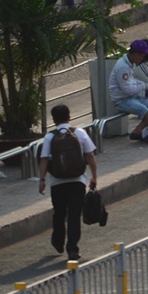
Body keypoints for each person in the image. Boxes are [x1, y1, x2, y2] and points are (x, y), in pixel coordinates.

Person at [38, 103, 99, 260]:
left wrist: (42, 179)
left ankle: (58, 241)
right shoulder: (79, 133)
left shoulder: (50, 137)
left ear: (54, 120)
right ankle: (72, 248)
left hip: (57, 182)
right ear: (69, 117)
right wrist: (93, 177)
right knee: (74, 215)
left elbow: (44, 159)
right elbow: (90, 155)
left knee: (59, 213)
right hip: (78, 181)